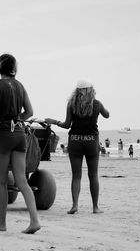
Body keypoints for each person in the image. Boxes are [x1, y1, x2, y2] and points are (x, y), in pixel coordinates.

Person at [0, 53, 40, 234]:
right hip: (19, 134)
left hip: (3, 135)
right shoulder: (20, 86)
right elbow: (30, 111)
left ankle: (1, 223)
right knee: (22, 181)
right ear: (13, 68)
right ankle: (34, 221)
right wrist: (17, 119)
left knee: (1, 182)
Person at [45, 80, 109, 214]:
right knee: (93, 175)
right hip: (92, 141)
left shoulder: (71, 105)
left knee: (76, 176)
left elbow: (67, 125)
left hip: (75, 141)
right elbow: (107, 115)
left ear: (78, 91)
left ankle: (75, 205)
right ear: (91, 90)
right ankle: (95, 207)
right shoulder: (97, 104)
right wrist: (100, 109)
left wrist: (54, 122)